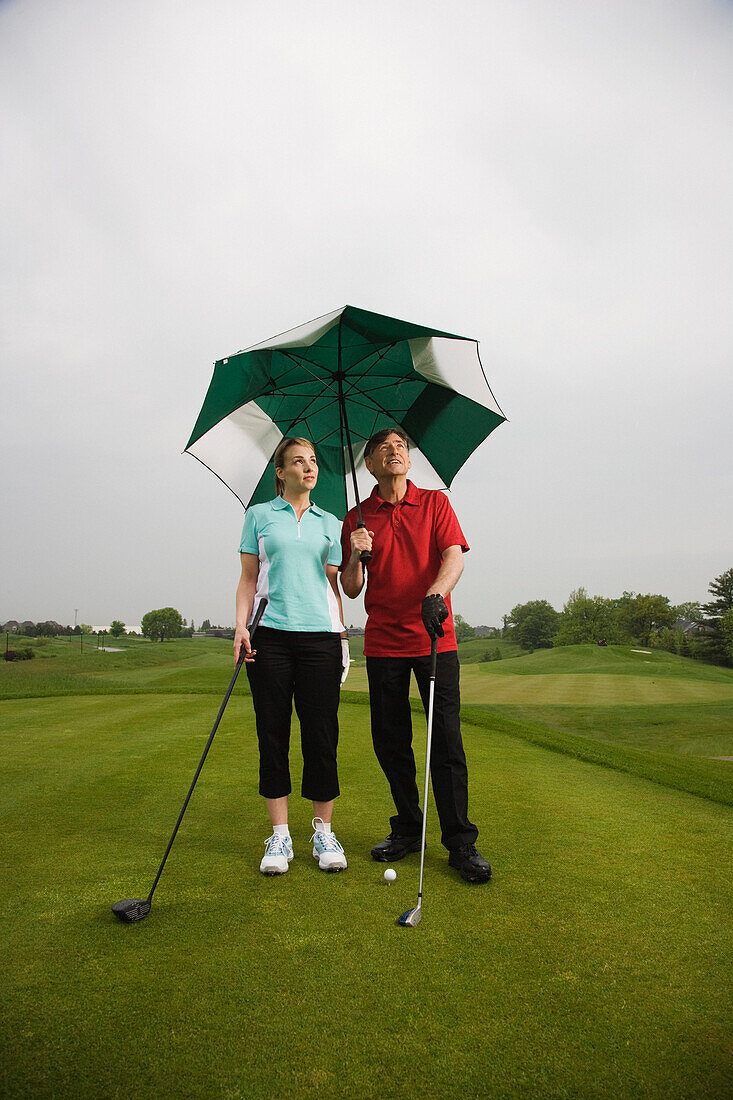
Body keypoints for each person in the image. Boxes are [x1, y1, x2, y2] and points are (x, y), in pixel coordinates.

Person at [340, 427, 491, 884]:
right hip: (384, 642)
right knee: (391, 743)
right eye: (384, 447)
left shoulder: (435, 503)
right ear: (369, 465)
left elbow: (454, 558)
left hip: (434, 638)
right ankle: (407, 828)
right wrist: (354, 553)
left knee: (445, 743)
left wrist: (436, 593)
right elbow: (350, 588)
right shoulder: (357, 517)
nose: (395, 451)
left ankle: (461, 843)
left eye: (401, 445)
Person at [234, 437, 349, 876]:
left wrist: (356, 551)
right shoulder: (259, 516)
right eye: (298, 462)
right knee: (273, 733)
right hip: (271, 637)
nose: (308, 467)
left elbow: (338, 583)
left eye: (313, 461)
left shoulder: (331, 522)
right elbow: (247, 579)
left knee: (322, 735)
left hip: (321, 637)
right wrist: (241, 626)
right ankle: (280, 836)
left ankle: (323, 831)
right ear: (280, 472)